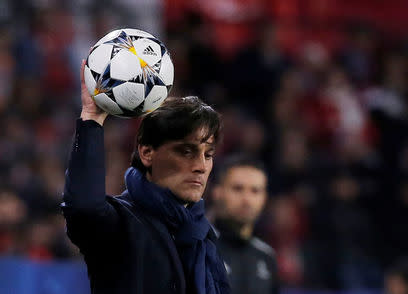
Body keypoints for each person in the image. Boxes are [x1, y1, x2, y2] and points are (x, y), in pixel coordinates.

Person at [61, 60, 230, 294]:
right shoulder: (120, 222)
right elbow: (83, 208)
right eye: (186, 151)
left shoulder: (202, 233)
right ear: (147, 152)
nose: (201, 166)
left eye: (208, 154)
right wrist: (92, 119)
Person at [211, 155, 279, 294]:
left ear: (264, 198)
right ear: (217, 192)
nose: (247, 200)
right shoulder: (200, 247)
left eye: (255, 191)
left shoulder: (267, 257)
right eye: (238, 188)